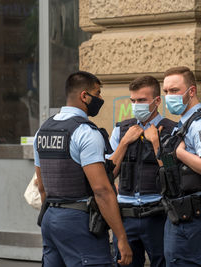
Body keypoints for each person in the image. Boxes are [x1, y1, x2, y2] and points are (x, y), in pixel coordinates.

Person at [33, 71, 132, 266]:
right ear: (84, 96)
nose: (100, 98)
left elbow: (42, 186)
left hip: (50, 217)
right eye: (97, 93)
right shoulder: (85, 132)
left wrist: (54, 213)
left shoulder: (42, 130)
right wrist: (121, 237)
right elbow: (102, 190)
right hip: (79, 221)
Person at [108, 75, 176, 267]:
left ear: (157, 101)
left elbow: (172, 171)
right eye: (133, 101)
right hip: (126, 216)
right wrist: (124, 142)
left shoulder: (171, 130)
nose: (137, 105)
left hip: (158, 214)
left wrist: (156, 143)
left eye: (142, 100)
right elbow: (108, 173)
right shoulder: (121, 130)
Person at [160, 66, 201, 266]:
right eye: (166, 92)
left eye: (174, 91)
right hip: (180, 213)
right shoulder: (182, 124)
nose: (169, 96)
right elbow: (171, 167)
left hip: (194, 216)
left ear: (192, 91)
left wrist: (180, 153)